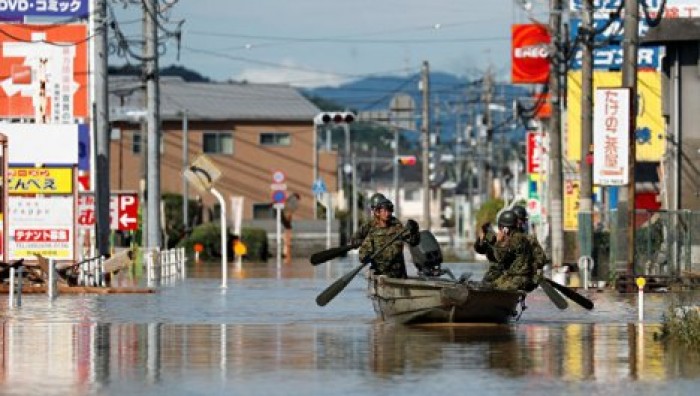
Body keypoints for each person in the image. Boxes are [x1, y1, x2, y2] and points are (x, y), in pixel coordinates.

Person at [354, 195, 420, 278]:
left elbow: (413, 241)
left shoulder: (397, 228)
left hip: (398, 274)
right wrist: (367, 256)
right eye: (384, 211)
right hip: (382, 274)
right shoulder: (372, 232)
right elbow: (362, 256)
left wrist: (414, 230)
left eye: (389, 211)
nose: (387, 214)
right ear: (378, 212)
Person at [490, 210, 536, 291]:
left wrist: (499, 242)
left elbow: (500, 258)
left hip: (517, 279)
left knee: (489, 288)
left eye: (500, 228)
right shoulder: (520, 237)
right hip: (518, 277)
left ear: (505, 229)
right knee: (490, 283)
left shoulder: (514, 239)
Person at [512, 204, 550, 285]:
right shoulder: (502, 238)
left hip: (522, 279)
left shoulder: (529, 239)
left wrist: (527, 266)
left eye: (521, 220)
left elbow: (541, 259)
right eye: (518, 220)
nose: (519, 223)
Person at [281, 192, 300, 265]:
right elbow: (289, 213)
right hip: (286, 221)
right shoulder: (293, 202)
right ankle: (286, 252)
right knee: (288, 232)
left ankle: (285, 251)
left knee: (287, 232)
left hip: (285, 219)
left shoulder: (289, 201)